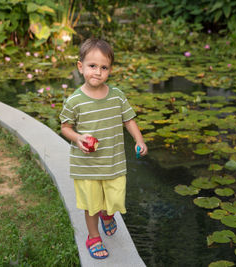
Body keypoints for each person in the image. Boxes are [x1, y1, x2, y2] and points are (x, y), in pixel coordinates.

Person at [59, 38, 148, 259]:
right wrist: (78, 138)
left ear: (110, 70)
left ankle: (107, 215)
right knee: (91, 205)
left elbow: (128, 120)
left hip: (113, 162)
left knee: (113, 199)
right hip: (87, 165)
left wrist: (139, 140)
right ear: (80, 67)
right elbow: (65, 127)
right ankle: (93, 236)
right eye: (92, 66)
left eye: (104, 67)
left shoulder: (117, 95)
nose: (97, 72)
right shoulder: (74, 101)